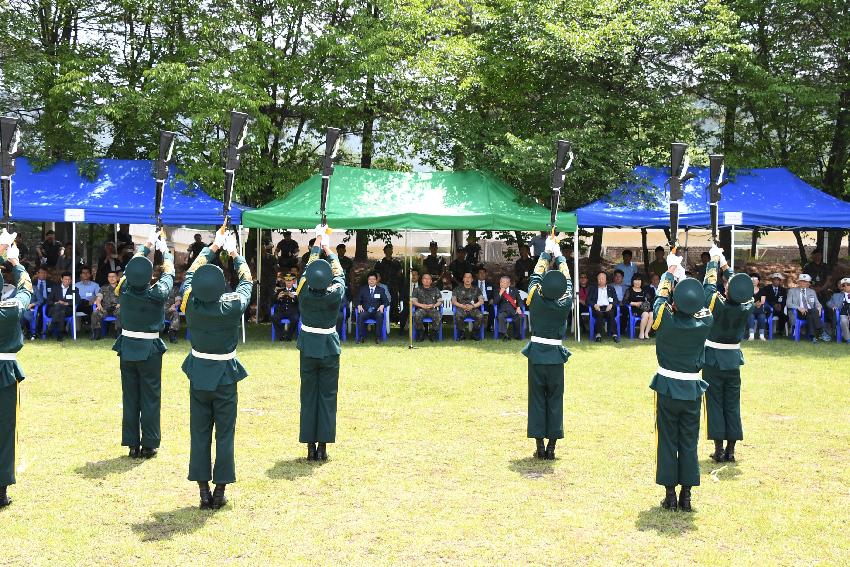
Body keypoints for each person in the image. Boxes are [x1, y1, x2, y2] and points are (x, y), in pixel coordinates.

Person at [181, 226, 251, 509]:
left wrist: (213, 248)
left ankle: (202, 490)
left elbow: (188, 276)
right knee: (224, 433)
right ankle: (219, 489)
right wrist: (234, 253)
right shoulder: (232, 305)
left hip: (199, 375)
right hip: (224, 377)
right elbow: (246, 283)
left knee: (199, 432)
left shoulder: (191, 303)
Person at [650, 252, 713, 512]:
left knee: (667, 440)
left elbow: (659, 300)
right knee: (688, 441)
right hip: (691, 390)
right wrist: (691, 276)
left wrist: (670, 272)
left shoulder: (665, 319)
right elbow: (707, 296)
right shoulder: (705, 322)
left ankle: (670, 495)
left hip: (667, 388)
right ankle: (686, 495)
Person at [112, 229, 175, 460]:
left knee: (130, 397)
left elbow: (132, 267)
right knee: (150, 397)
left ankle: (132, 444)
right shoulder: (157, 293)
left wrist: (148, 243)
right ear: (150, 277)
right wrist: (164, 249)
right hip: (149, 351)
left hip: (128, 347)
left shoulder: (124, 290)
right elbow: (169, 272)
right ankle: (149, 443)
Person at [701, 246, 755, 464]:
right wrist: (726, 265)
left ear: (727, 291)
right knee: (732, 403)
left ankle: (719, 449)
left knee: (715, 403)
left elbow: (708, 287)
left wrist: (714, 261)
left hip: (713, 359)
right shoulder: (747, 306)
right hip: (733, 361)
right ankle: (731, 450)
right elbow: (741, 289)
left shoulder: (718, 304)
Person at [297, 225, 346, 461]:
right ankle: (323, 447)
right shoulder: (335, 291)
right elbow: (340, 275)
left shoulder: (304, 291)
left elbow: (307, 271)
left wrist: (317, 243)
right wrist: (329, 246)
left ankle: (309, 447)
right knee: (327, 397)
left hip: (308, 346)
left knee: (308, 397)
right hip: (328, 346)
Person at [523, 235, 572, 460]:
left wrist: (545, 254)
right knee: (554, 400)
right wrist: (560, 256)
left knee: (537, 400)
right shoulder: (565, 302)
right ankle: (552, 447)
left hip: (537, 355)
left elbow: (534, 277)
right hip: (555, 357)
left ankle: (540, 446)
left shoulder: (536, 298)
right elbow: (568, 282)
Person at [0, 235, 32, 508]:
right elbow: (25, 288)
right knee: (5, 430)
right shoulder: (10, 309)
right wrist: (14, 260)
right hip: (4, 371)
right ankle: (1, 489)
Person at [787, 273, 829, 342]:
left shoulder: (812, 291)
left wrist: (819, 307)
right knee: (814, 311)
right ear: (798, 282)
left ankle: (813, 337)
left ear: (809, 283)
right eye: (802, 281)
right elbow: (788, 303)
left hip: (810, 312)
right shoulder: (792, 291)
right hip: (799, 313)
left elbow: (817, 303)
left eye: (805, 281)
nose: (803, 283)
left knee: (811, 316)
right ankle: (821, 331)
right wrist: (799, 308)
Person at [46, 272, 80, 340]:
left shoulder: (74, 289)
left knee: (61, 309)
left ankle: (52, 327)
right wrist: (55, 303)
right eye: (65, 279)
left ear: (71, 280)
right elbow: (48, 300)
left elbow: (78, 300)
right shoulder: (55, 288)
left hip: (68, 309)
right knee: (60, 310)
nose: (67, 281)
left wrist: (66, 303)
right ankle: (60, 333)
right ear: (61, 279)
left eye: (69, 279)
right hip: (55, 309)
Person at [587, 271, 619, 342]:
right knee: (599, 314)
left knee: (611, 313)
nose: (601, 280)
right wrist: (594, 305)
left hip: (608, 307)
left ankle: (614, 334)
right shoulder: (593, 289)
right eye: (599, 278)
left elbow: (616, 300)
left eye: (603, 278)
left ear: (606, 280)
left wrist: (611, 304)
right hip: (597, 307)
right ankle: (598, 334)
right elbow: (588, 300)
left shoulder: (611, 288)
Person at [374, 244, 403, 323]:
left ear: (392, 251)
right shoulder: (380, 263)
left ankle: (394, 318)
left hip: (394, 285)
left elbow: (400, 273)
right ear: (384, 251)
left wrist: (397, 283)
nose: (388, 252)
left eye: (390, 250)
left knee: (394, 302)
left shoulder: (396, 262)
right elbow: (376, 274)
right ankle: (383, 317)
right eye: (387, 250)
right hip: (383, 286)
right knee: (383, 301)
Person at [452, 272, 484, 340]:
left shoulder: (476, 289)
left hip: (473, 308)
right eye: (466, 277)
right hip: (461, 308)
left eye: (469, 277)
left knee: (480, 315)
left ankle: (474, 334)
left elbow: (481, 301)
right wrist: (461, 305)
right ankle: (462, 334)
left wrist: (473, 306)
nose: (467, 279)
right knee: (458, 315)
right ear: (463, 279)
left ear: (472, 279)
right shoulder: (457, 289)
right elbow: (453, 301)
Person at [357, 273, 387, 343]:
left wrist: (383, 305)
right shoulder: (363, 289)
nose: (371, 281)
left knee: (380, 315)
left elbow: (386, 301)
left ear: (376, 280)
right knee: (361, 315)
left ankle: (378, 337)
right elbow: (357, 300)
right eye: (370, 279)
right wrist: (358, 305)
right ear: (367, 280)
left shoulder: (381, 290)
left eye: (373, 279)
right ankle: (361, 337)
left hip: (376, 311)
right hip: (366, 311)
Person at [411, 273, 442, 341]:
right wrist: (422, 305)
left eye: (428, 279)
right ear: (422, 280)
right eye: (425, 278)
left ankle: (433, 334)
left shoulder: (435, 289)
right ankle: (421, 333)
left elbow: (440, 301)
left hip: (432, 308)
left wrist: (434, 305)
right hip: (421, 309)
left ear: (431, 281)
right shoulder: (417, 289)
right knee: (416, 315)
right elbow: (414, 301)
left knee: (438, 315)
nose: (427, 280)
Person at [91, 271, 121, 340]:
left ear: (117, 278)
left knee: (120, 312)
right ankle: (96, 334)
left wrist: (121, 304)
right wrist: (98, 304)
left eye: (113, 276)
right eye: (109, 277)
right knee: (95, 313)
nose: (111, 278)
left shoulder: (121, 288)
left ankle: (118, 334)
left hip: (117, 309)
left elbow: (126, 299)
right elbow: (98, 298)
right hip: (105, 309)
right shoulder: (103, 288)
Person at [23, 266, 51, 339]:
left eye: (45, 273)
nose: (43, 274)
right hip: (35, 303)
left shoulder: (51, 283)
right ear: (37, 274)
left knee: (42, 311)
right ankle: (30, 331)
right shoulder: (32, 283)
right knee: (33, 311)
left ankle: (39, 331)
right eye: (41, 273)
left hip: (47, 303)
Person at [624, 273, 654, 339]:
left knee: (652, 314)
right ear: (633, 281)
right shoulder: (629, 290)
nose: (637, 282)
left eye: (639, 280)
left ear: (641, 281)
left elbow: (650, 300)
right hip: (634, 309)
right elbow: (625, 301)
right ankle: (641, 333)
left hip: (644, 308)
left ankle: (646, 333)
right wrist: (635, 303)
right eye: (636, 280)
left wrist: (646, 302)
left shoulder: (644, 290)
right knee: (646, 314)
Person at [272, 273, 299, 342]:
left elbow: (300, 303)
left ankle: (289, 336)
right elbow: (273, 302)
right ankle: (281, 336)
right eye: (287, 281)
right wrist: (278, 297)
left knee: (295, 319)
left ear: (293, 281)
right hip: (281, 311)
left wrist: (294, 297)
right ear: (285, 281)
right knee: (274, 317)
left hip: (292, 311)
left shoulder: (297, 291)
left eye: (290, 281)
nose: (289, 282)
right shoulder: (279, 290)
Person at [494, 275, 523, 340]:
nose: (502, 284)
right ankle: (505, 335)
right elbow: (495, 302)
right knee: (500, 316)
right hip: (503, 311)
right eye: (501, 282)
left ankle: (517, 335)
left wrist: (518, 307)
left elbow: (520, 300)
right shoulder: (497, 290)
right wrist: (501, 293)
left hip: (513, 310)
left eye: (504, 282)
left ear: (509, 284)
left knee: (519, 316)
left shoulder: (514, 290)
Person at [827, 277, 850, 342]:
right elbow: (828, 303)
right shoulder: (836, 295)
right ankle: (848, 339)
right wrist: (833, 306)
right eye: (843, 285)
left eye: (848, 284)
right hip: (843, 313)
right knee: (843, 320)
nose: (846, 286)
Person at [748, 274, 768, 340]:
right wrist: (754, 304)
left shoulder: (762, 290)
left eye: (755, 280)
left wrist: (759, 304)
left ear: (758, 281)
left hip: (759, 309)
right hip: (750, 309)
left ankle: (761, 335)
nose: (753, 281)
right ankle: (751, 335)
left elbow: (763, 301)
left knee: (762, 316)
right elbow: (746, 301)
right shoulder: (747, 290)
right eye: (752, 279)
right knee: (750, 316)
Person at [475, 266, 494, 331]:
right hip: (476, 303)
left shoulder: (490, 284)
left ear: (486, 274)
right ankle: (476, 326)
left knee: (493, 307)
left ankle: (490, 325)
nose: (482, 274)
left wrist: (492, 299)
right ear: (477, 275)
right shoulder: (473, 284)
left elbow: (494, 293)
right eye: (480, 273)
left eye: (484, 273)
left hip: (487, 302)